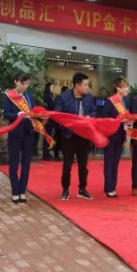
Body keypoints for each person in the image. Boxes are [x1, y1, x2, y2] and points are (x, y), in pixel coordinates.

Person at [56, 72, 96, 201]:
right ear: (77, 86)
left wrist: (90, 116)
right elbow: (58, 114)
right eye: (85, 85)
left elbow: (94, 111)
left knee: (83, 165)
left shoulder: (89, 97)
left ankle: (82, 189)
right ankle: (65, 189)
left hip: (83, 136)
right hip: (69, 136)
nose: (87, 87)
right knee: (67, 165)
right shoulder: (64, 97)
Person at [3, 72, 36, 203]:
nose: (25, 86)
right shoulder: (8, 96)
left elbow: (33, 112)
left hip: (28, 133)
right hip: (15, 133)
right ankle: (15, 192)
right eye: (23, 83)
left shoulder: (30, 96)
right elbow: (6, 114)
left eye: (27, 83)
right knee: (14, 164)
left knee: (26, 164)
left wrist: (40, 115)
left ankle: (22, 192)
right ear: (15, 82)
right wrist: (18, 114)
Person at [102, 76, 130, 198]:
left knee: (115, 163)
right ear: (118, 88)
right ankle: (109, 188)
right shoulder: (110, 101)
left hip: (120, 135)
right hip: (110, 135)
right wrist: (117, 120)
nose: (127, 89)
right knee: (109, 162)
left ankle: (112, 186)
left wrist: (129, 121)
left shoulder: (125, 102)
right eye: (125, 87)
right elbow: (104, 118)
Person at [42, 82, 59, 161]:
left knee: (49, 135)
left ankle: (47, 153)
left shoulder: (51, 96)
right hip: (48, 118)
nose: (53, 89)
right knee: (47, 135)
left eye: (53, 87)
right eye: (51, 87)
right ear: (48, 88)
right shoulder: (47, 96)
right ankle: (46, 154)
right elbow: (51, 106)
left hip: (51, 118)